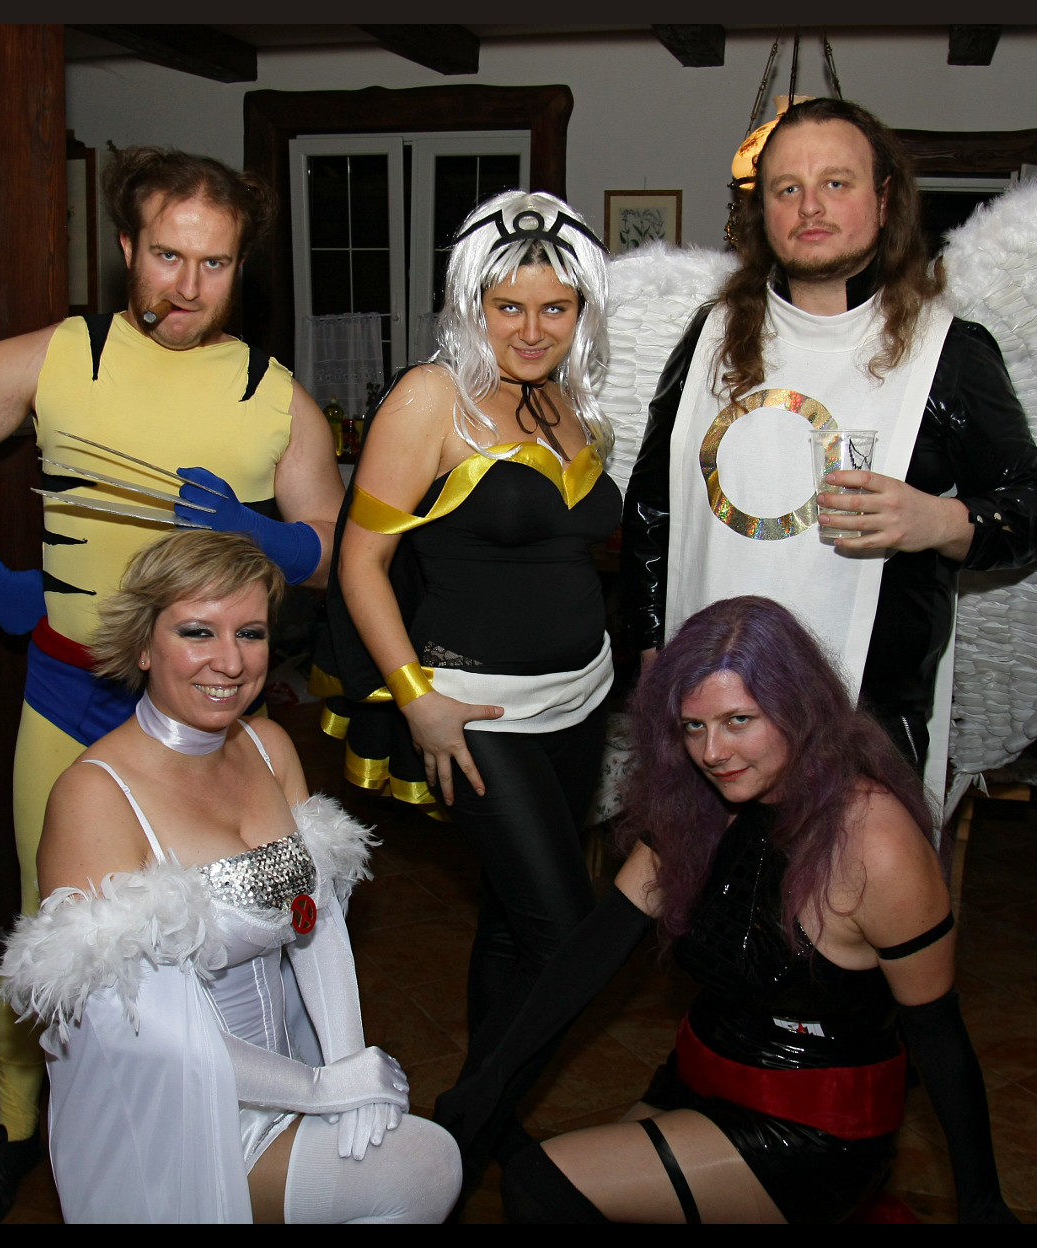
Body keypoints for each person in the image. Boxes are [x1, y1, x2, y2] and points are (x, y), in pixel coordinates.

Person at [0, 148, 345, 1222]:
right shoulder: (59, 357)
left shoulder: (273, 397)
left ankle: (236, 1111)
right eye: (168, 255)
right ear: (127, 248)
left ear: (241, 268)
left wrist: (262, 531)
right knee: (50, 934)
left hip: (214, 716)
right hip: (69, 695)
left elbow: (327, 546)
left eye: (214, 263)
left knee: (245, 924)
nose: (188, 284)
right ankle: (19, 1132)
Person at [435, 596, 1016, 1223]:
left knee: (540, 1187)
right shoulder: (700, 806)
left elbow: (939, 1034)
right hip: (698, 1082)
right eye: (693, 727)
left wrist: (982, 1203)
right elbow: (587, 957)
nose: (712, 752)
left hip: (812, 1129)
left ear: (799, 708)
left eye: (739, 720)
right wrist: (486, 1086)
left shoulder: (875, 841)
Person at [0, 529, 461, 1223]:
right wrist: (319, 1089)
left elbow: (314, 922)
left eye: (250, 633)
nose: (231, 661)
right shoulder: (94, 795)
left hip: (292, 1073)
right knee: (425, 1165)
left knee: (410, 1150)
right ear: (144, 645)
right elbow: (138, 1031)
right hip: (175, 1116)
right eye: (197, 632)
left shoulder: (268, 746)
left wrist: (348, 1067)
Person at [620, 98, 1037, 790]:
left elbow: (1035, 510)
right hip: (706, 713)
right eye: (786, 189)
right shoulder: (708, 338)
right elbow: (652, 509)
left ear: (884, 201)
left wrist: (938, 520)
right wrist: (652, 653)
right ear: (763, 211)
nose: (810, 206)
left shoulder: (948, 353)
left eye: (836, 182)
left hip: (867, 721)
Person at [311, 190, 618, 1115]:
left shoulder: (568, 399)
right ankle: (469, 1127)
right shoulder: (430, 397)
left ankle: (486, 1125)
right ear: (470, 304)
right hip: (478, 714)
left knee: (514, 923)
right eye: (508, 306)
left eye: (555, 307)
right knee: (568, 936)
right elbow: (360, 562)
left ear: (582, 311)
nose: (531, 329)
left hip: (582, 702)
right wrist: (415, 697)